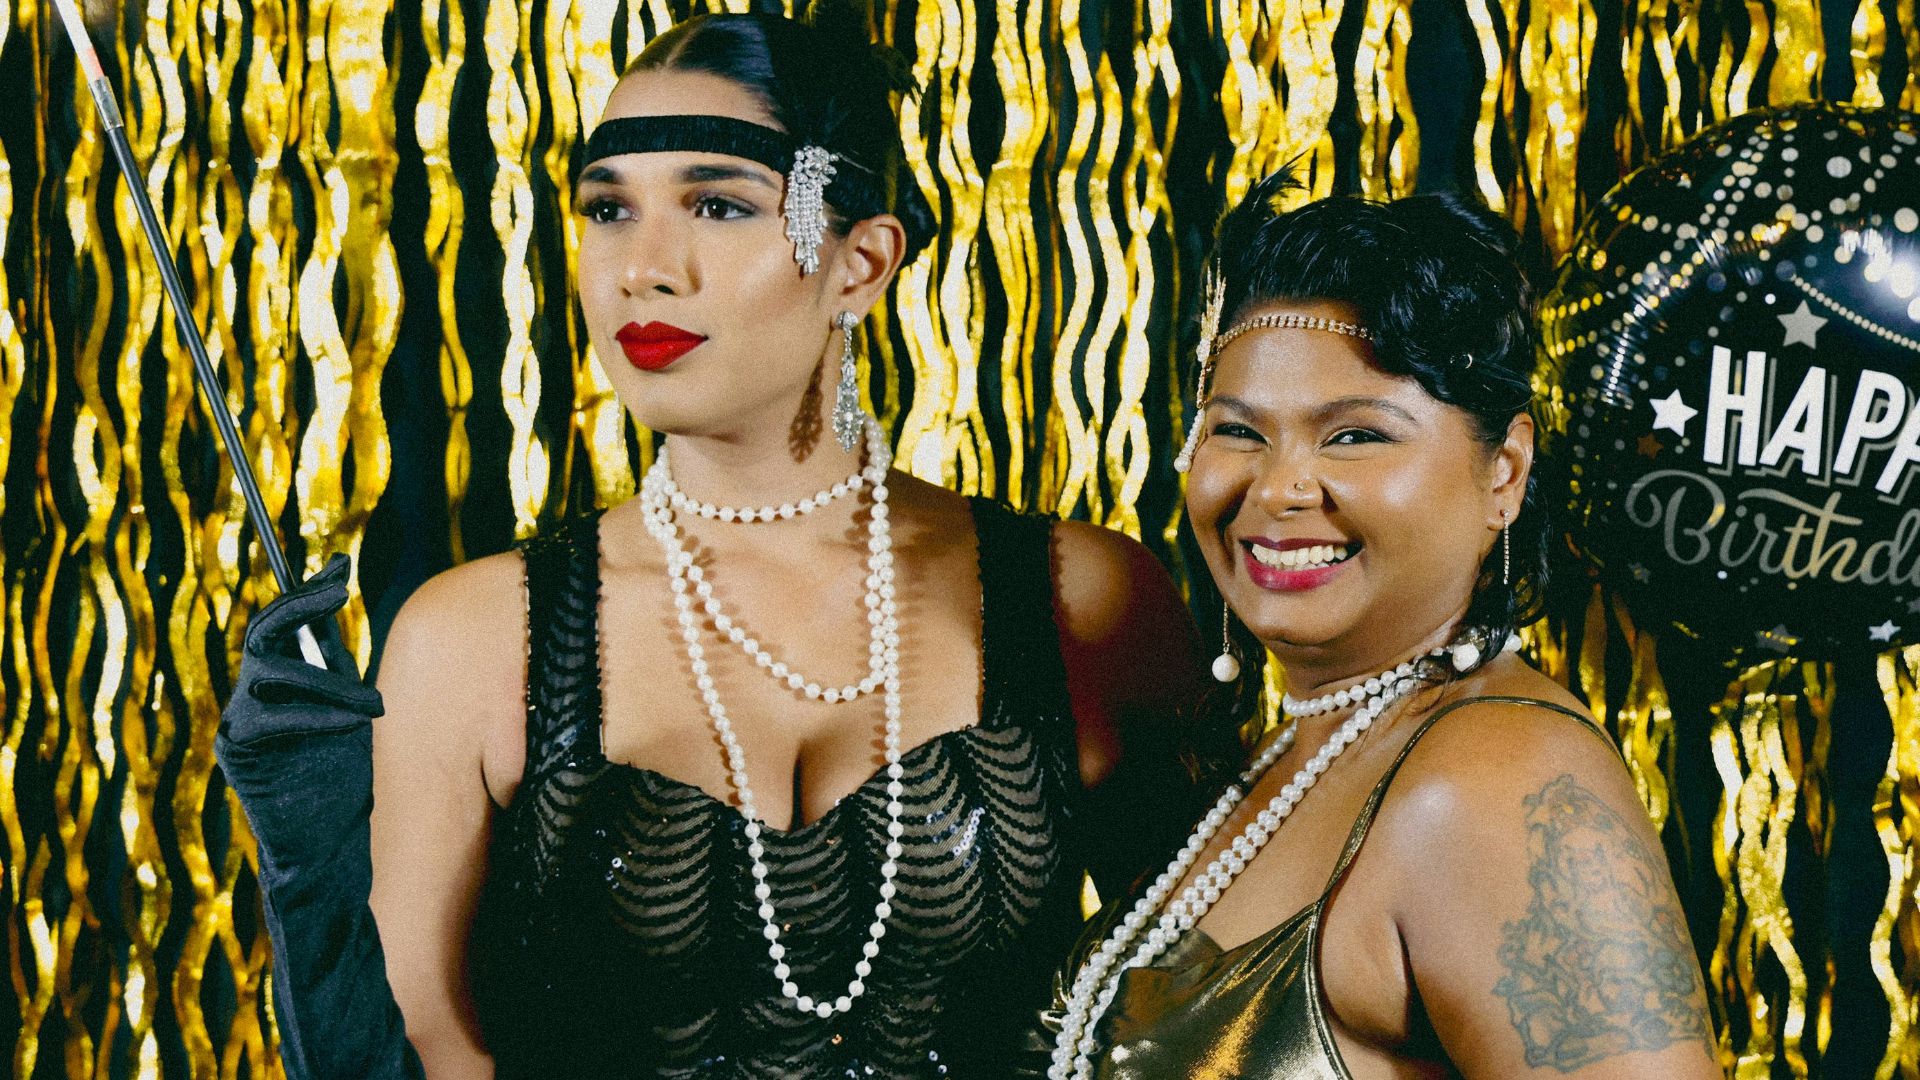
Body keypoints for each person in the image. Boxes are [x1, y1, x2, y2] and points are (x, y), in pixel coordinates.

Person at [219, 7, 1205, 1079]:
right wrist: (309, 864)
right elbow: (421, 1046)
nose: (643, 268)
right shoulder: (469, 637)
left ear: (860, 266)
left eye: (718, 204)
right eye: (607, 209)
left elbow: (1225, 1009)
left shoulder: (1089, 600)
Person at [1029, 179, 1721, 1079]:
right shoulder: (1291, 752)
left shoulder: (1491, 776)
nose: (1277, 490)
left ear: (1504, 473)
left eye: (1355, 437)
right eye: (1236, 431)